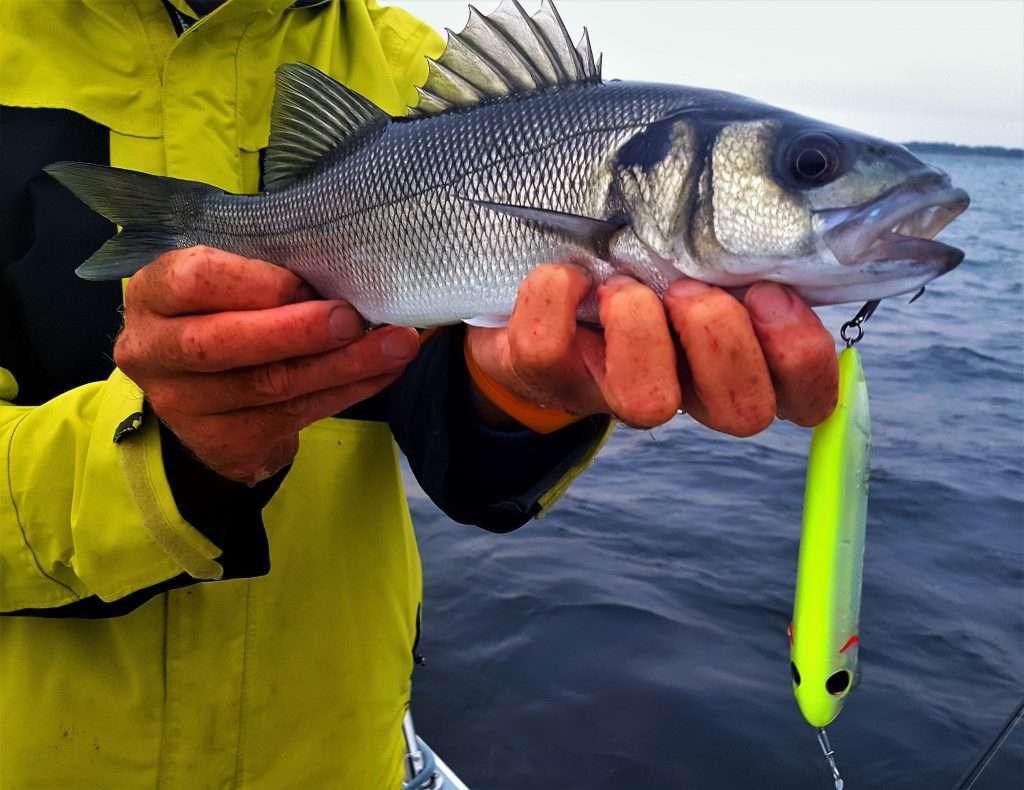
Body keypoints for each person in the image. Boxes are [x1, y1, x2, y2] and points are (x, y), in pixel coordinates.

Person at [0, 1, 838, 787]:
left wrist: (523, 400)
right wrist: (159, 463)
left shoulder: (416, 70)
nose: (819, 184)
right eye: (806, 168)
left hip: (338, 751)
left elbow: (452, 442)